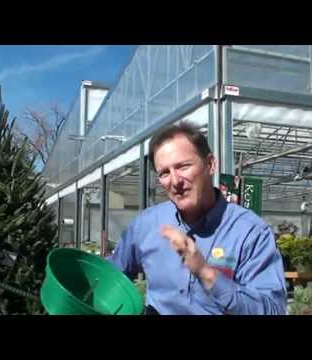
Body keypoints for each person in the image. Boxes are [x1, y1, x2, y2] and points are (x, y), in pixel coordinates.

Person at [107, 122, 286, 315]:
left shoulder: (250, 232)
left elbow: (274, 309)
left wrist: (207, 274)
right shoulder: (148, 224)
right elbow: (110, 278)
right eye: (164, 173)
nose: (175, 181)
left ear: (210, 164)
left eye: (183, 166)